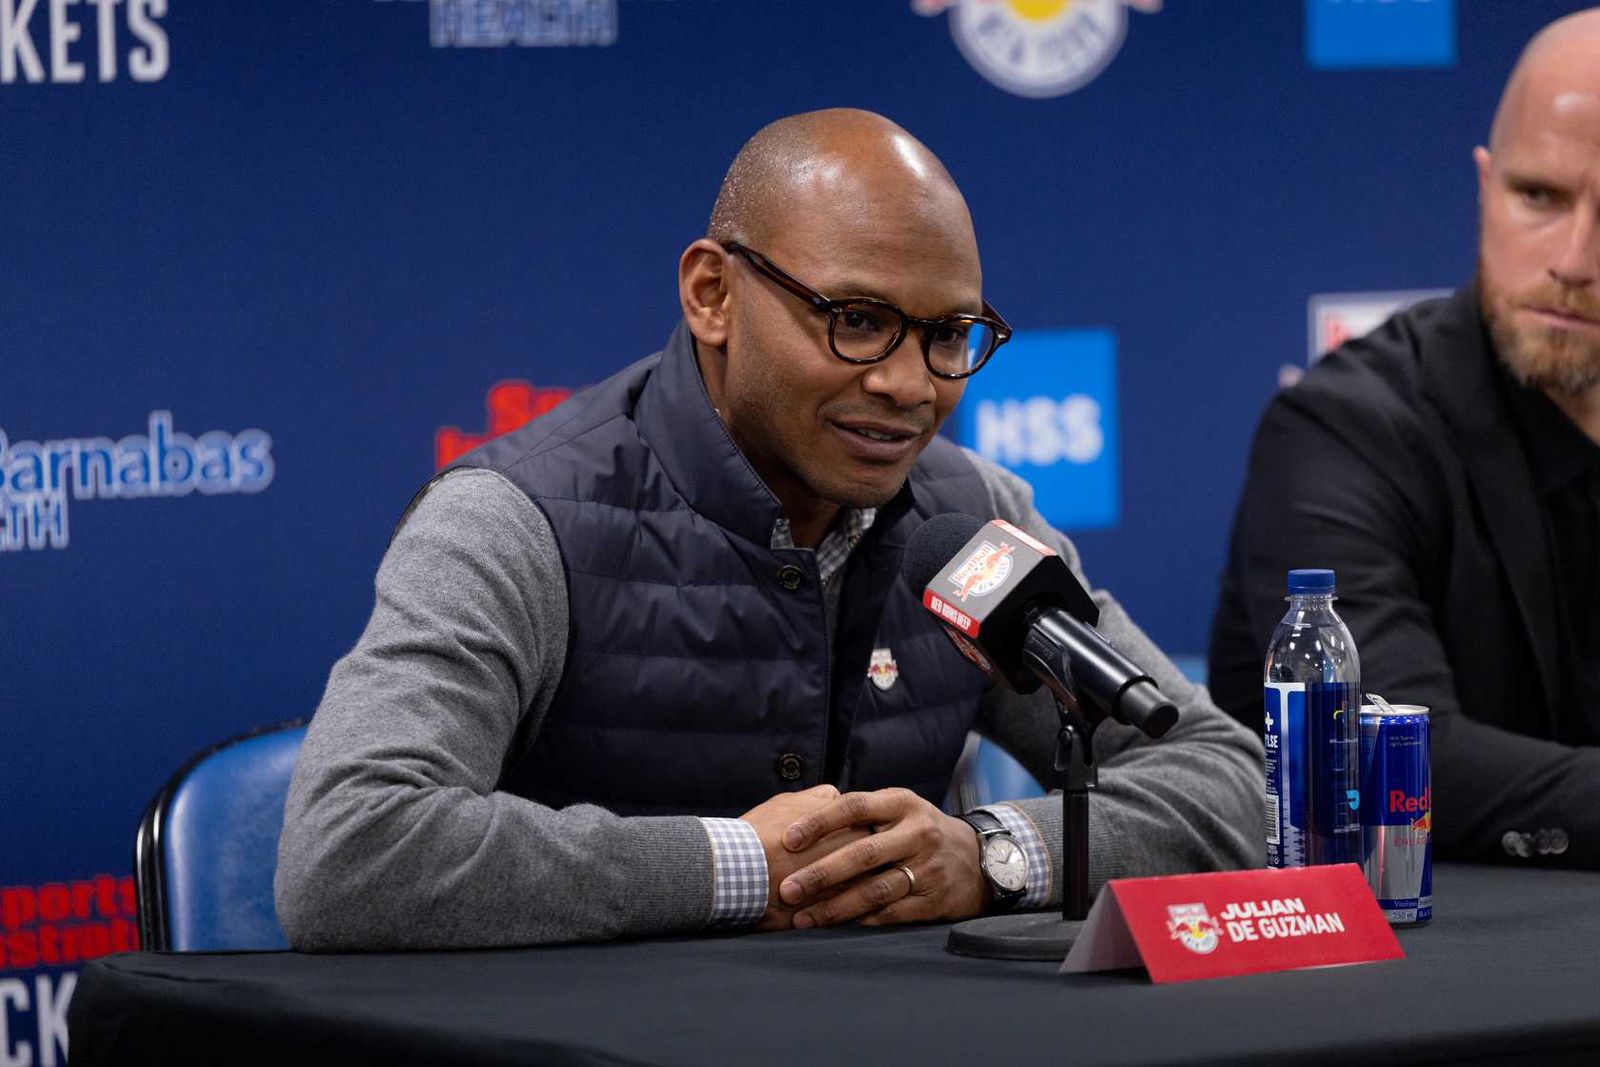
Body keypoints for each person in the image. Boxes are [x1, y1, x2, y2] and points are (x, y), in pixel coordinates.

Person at [276, 109, 1262, 950]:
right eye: (857, 319)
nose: (909, 385)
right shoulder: (515, 520)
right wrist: (740, 865)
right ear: (712, 294)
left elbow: (1222, 779)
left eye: (947, 335)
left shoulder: (974, 518)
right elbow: (350, 848)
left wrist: (997, 854)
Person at [1210, 11, 1600, 868]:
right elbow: (1397, 759)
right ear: (1485, 184)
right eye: (1537, 196)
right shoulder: (1343, 427)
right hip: (1397, 975)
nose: (1573, 258)